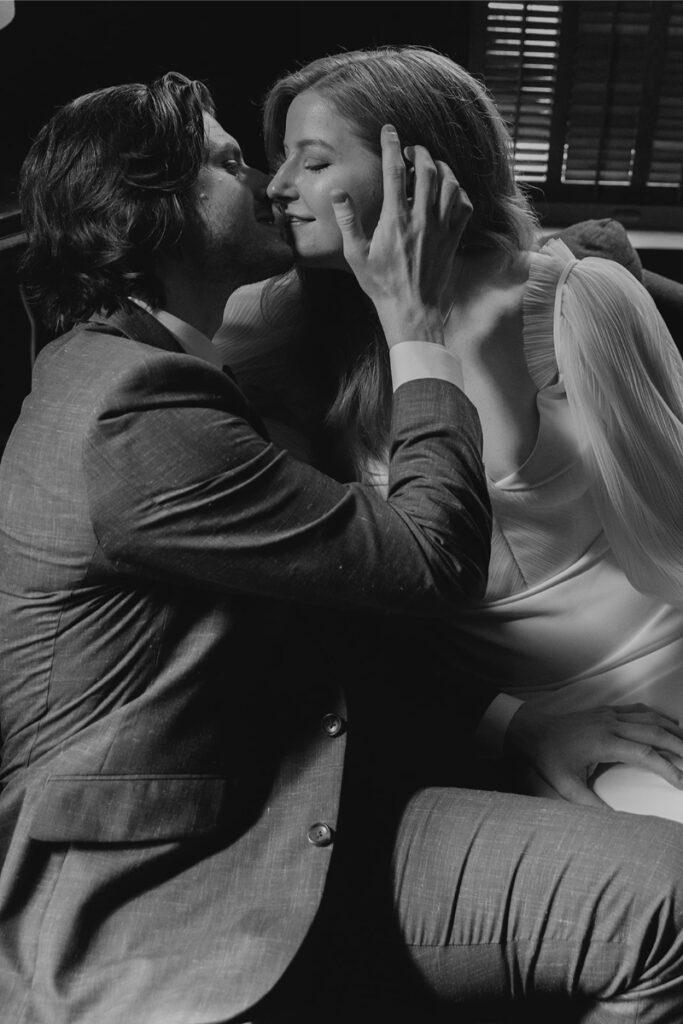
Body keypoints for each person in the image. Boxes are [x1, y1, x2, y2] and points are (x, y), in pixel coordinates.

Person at [3, 71, 683, 1024]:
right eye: (240, 161)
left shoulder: (164, 361)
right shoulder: (139, 403)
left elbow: (314, 602)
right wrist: (415, 318)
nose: (275, 184)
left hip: (313, 793)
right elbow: (421, 564)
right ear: (155, 212)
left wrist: (575, 264)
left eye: (303, 160)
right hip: (173, 888)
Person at [215, 44, 683, 817]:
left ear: (421, 172)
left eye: (316, 161)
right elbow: (328, 599)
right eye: (278, 160)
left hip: (659, 657)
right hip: (539, 714)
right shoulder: (271, 333)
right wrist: (507, 722)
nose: (280, 188)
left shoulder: (574, 301)